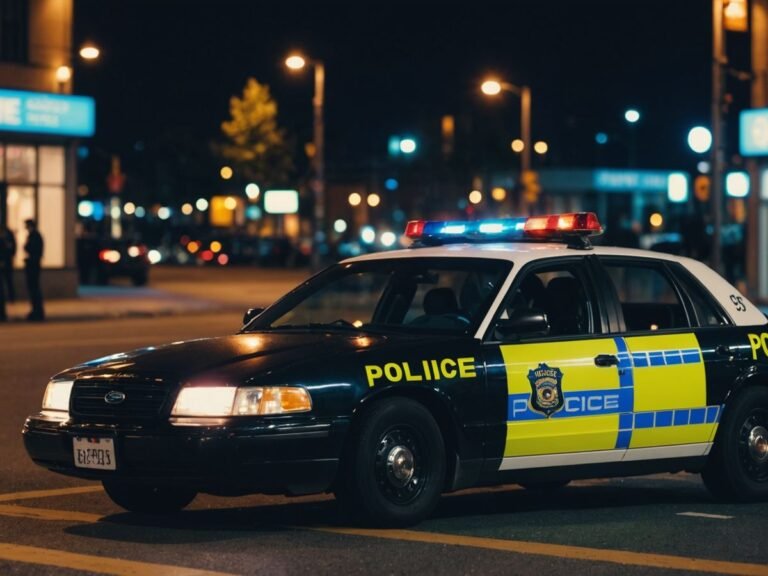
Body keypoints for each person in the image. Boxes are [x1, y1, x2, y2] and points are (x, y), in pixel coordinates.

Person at [23, 219, 44, 321]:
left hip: (33, 265)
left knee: (34, 289)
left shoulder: (34, 236)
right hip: (33, 264)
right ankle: (36, 311)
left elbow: (28, 248)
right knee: (34, 289)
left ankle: (37, 312)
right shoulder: (34, 235)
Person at [0, 225, 15, 301]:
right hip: (7, 261)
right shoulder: (8, 234)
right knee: (8, 281)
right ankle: (11, 297)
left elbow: (11, 249)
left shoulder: (7, 235)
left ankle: (11, 297)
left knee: (8, 281)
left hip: (6, 262)